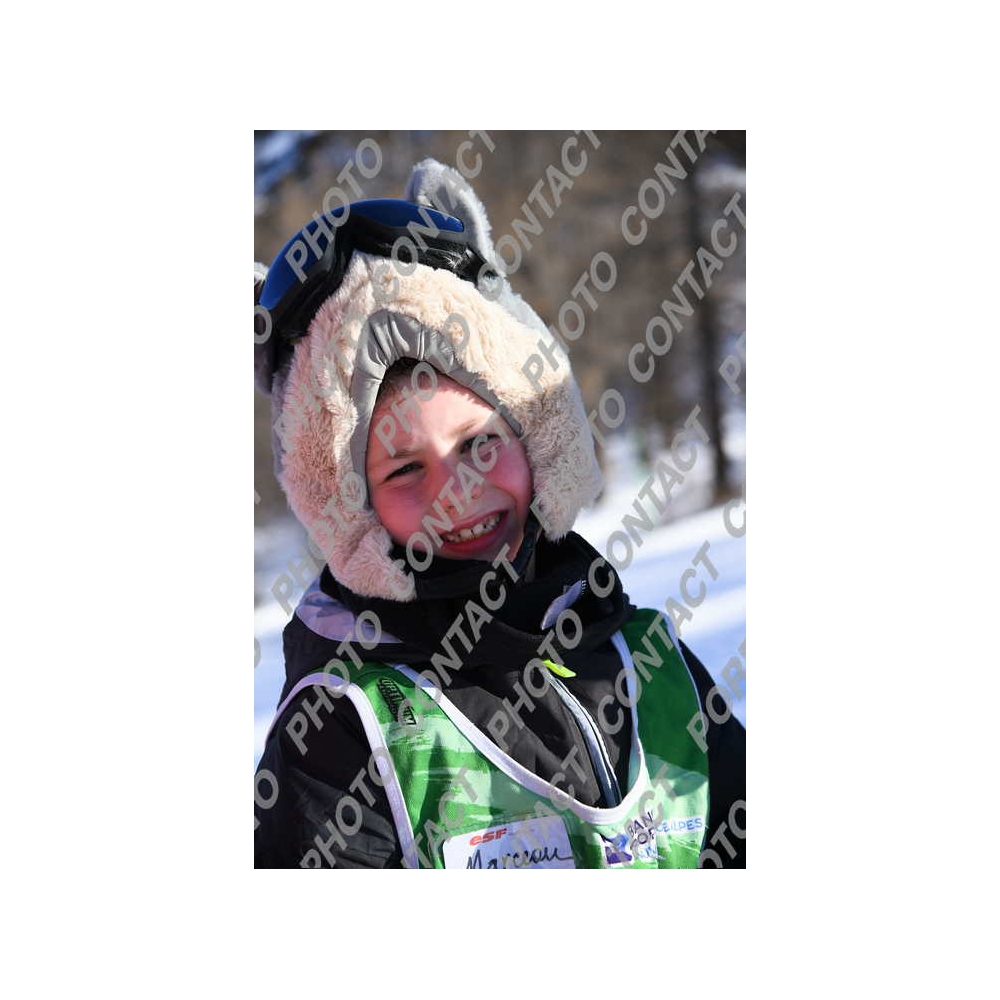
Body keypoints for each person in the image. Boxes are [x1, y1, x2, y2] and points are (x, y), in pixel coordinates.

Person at [253, 158, 746, 869]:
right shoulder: (341, 733)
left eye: (478, 444)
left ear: (535, 436)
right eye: (404, 469)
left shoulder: (652, 665)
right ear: (350, 508)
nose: (456, 491)